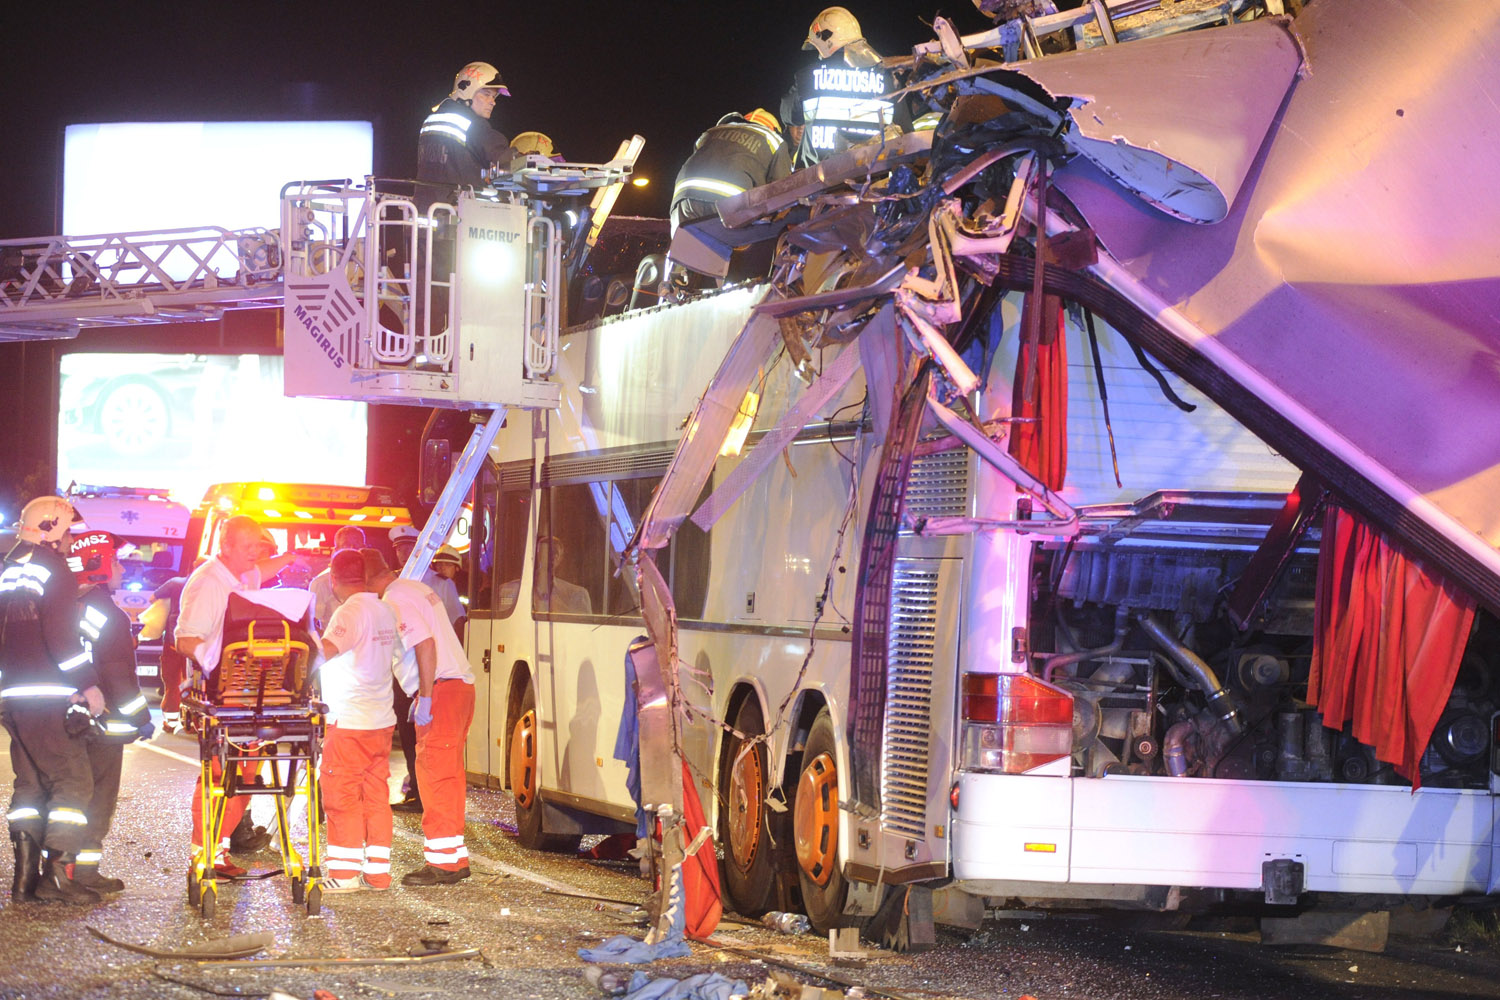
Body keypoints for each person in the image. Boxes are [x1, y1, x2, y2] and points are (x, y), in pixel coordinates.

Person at [1, 496, 105, 905]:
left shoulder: (9, 568)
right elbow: (61, 638)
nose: (69, 540)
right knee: (73, 782)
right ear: (51, 528)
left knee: (29, 784)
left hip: (13, 695)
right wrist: (89, 683)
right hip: (47, 693)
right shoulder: (53, 567)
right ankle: (58, 875)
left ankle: (24, 879)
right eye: (66, 531)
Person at [363, 548, 475, 885]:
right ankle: (453, 857)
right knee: (449, 775)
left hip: (440, 689)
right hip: (457, 687)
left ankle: (442, 864)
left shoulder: (396, 598)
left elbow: (425, 645)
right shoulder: (413, 587)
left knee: (434, 776)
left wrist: (425, 696)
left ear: (369, 578)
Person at [173, 514, 267, 877]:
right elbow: (186, 640)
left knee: (244, 778)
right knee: (218, 778)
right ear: (224, 546)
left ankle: (218, 850)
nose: (255, 553)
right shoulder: (209, 582)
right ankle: (204, 853)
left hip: (246, 695)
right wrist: (220, 664)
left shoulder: (235, 576)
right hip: (222, 696)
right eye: (247, 547)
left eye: (258, 545)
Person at [316, 550, 412, 893]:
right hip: (380, 719)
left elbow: (325, 652)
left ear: (333, 578)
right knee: (375, 798)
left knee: (341, 796)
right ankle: (378, 874)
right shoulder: (385, 608)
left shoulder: (350, 610)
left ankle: (343, 875)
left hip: (351, 719)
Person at [68, 530, 152, 895]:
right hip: (103, 725)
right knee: (97, 800)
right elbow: (118, 674)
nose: (121, 567)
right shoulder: (109, 615)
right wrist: (140, 717)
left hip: (68, 720)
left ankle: (56, 868)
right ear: (98, 566)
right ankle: (83, 872)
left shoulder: (64, 605)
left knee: (66, 797)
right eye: (115, 561)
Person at [781, 7, 908, 167]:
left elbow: (787, 114)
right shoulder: (888, 77)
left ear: (826, 41)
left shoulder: (810, 77)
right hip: (874, 177)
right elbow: (906, 130)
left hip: (819, 179)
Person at [670, 109, 793, 233]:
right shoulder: (774, 140)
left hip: (683, 200)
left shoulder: (711, 132)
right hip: (729, 205)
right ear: (774, 129)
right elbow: (781, 193)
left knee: (685, 250)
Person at [417, 61, 513, 188]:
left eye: (494, 97)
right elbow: (503, 156)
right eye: (486, 95)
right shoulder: (472, 124)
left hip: (423, 204)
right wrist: (532, 160)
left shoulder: (430, 120)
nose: (492, 102)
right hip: (457, 205)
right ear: (466, 91)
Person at [145, 556, 207, 735]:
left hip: (174, 641)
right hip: (200, 643)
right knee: (201, 683)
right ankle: (199, 723)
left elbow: (152, 598)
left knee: (173, 683)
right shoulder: (211, 588)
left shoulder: (175, 583)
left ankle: (171, 723)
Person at [387, 525, 423, 811]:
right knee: (407, 737)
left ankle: (423, 794)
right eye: (399, 549)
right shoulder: (390, 584)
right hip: (401, 674)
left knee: (425, 738)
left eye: (408, 548)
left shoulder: (435, 581)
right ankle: (414, 790)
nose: (403, 554)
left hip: (425, 671)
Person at [309, 525, 367, 631]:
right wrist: (331, 642)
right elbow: (311, 625)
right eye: (346, 545)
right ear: (336, 550)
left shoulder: (372, 580)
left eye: (357, 545)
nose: (352, 549)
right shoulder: (321, 583)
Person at [428, 545, 466, 634]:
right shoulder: (432, 588)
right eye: (439, 564)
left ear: (457, 568)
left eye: (448, 565)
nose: (443, 568)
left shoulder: (467, 588)